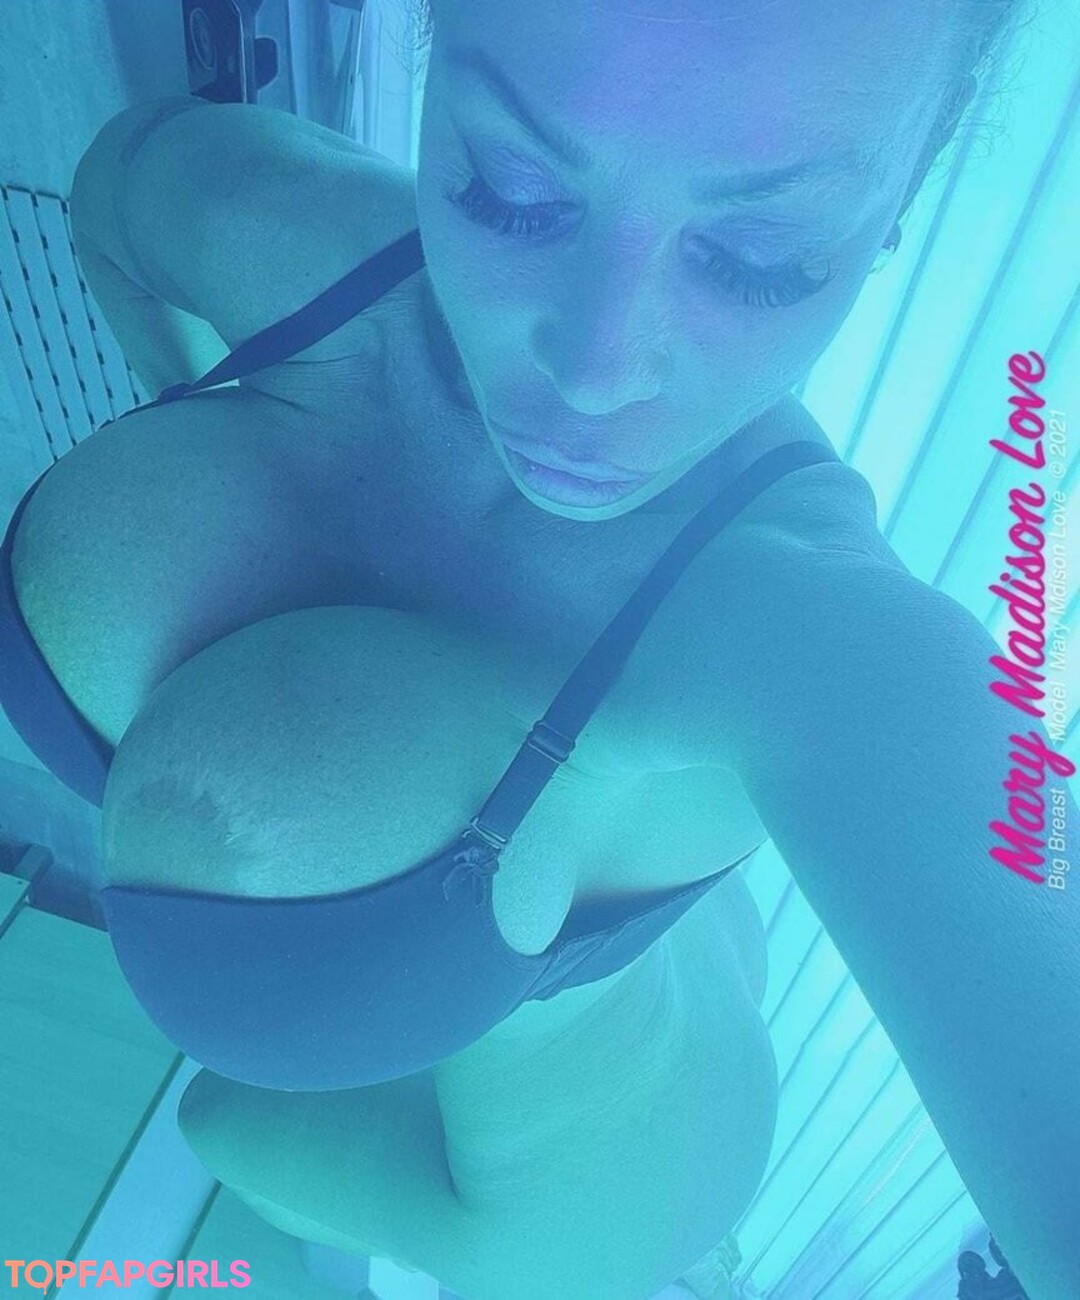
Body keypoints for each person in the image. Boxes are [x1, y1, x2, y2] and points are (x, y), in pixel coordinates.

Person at [1, 1, 1076, 1297]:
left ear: (891, 219)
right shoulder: (262, 220)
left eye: (760, 258)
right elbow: (110, 193)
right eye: (509, 189)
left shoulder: (838, 649)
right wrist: (181, 396)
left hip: (595, 1193)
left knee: (220, 1131)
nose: (595, 371)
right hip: (542, 927)